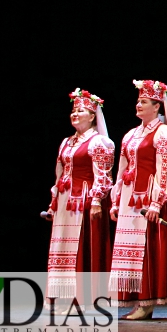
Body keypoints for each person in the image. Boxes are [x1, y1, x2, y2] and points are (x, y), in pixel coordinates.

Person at [109, 79, 167, 319]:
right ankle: (136, 299)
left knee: (147, 250)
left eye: (144, 101)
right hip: (130, 199)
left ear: (157, 106)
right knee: (130, 251)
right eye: (138, 101)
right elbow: (122, 169)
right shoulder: (131, 134)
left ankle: (147, 301)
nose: (138, 105)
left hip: (151, 199)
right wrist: (115, 199)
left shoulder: (165, 134)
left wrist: (156, 202)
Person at [43, 89, 115, 299]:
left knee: (83, 246)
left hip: (85, 200)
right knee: (62, 245)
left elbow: (103, 175)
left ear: (92, 116)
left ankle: (84, 297)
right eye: (73, 110)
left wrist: (96, 201)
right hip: (66, 201)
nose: (75, 114)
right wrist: (53, 202)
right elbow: (60, 174)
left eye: (80, 110)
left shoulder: (99, 142)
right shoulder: (66, 142)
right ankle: (62, 297)